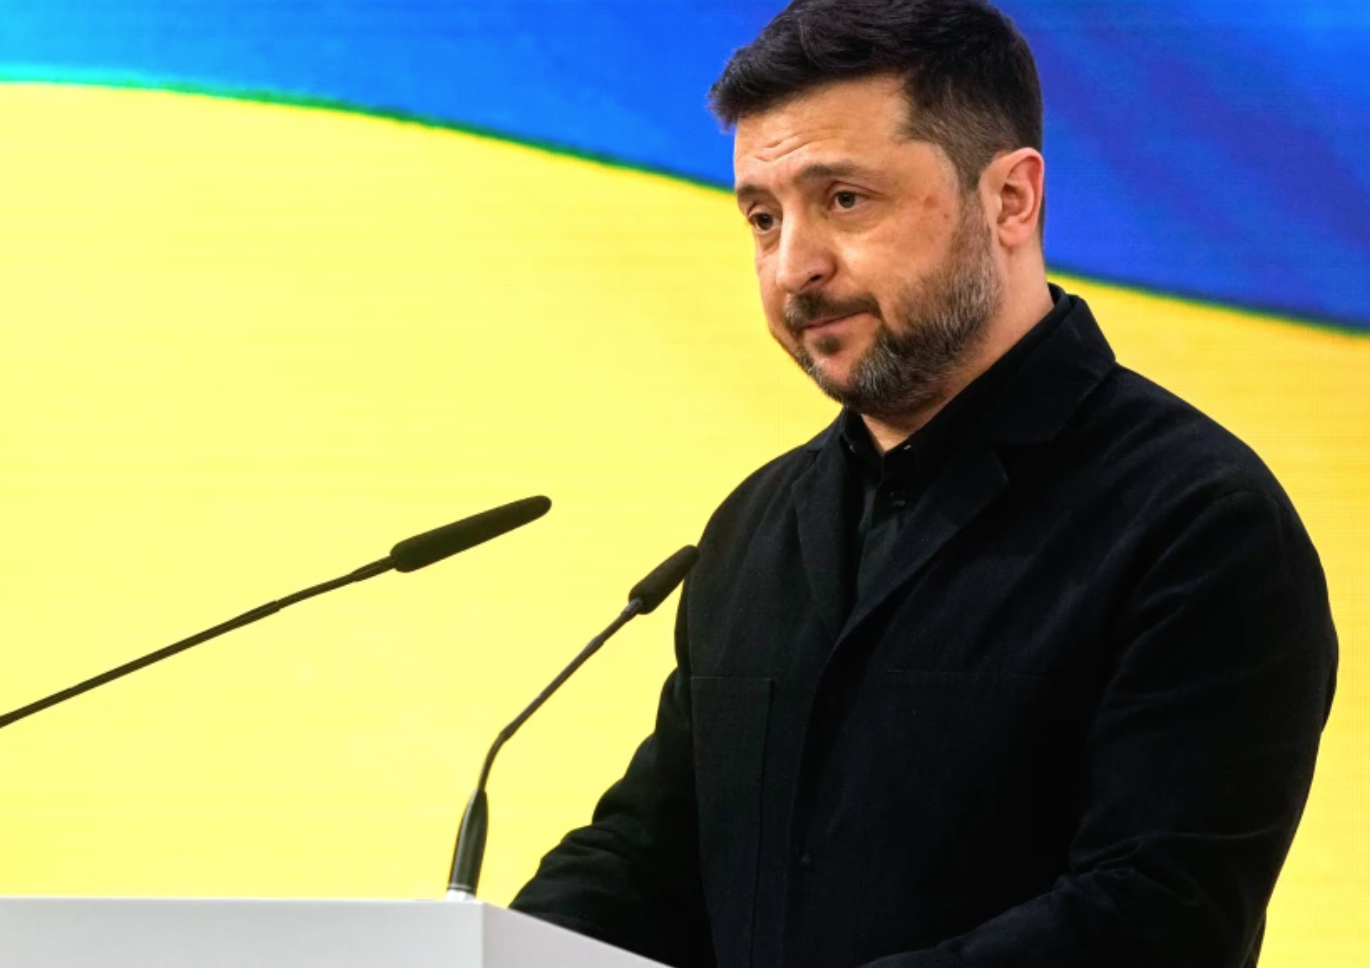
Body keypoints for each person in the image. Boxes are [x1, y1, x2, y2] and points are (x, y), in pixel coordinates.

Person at [510, 1, 1338, 966]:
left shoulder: (1197, 523)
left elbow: (1153, 919)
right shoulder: (755, 526)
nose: (794, 267)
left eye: (844, 200)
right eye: (764, 218)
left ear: (1011, 200)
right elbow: (653, 862)